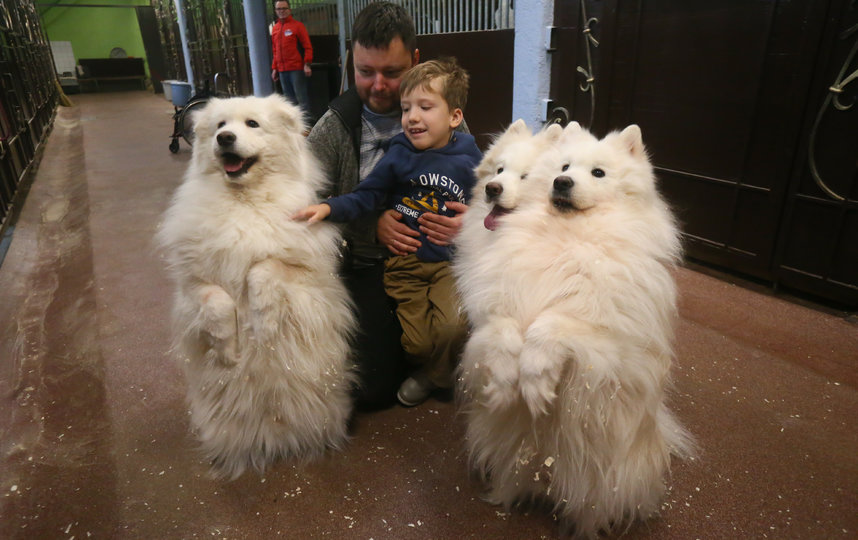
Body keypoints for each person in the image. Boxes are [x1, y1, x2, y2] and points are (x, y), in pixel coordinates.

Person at [307, 1, 470, 408]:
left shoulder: (446, 118)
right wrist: (372, 223)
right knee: (371, 390)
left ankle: (434, 361)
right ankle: (428, 362)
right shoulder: (332, 128)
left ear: (414, 62)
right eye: (365, 72)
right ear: (351, 62)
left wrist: (473, 220)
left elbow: (482, 185)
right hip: (366, 265)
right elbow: (310, 206)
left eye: (393, 73)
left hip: (441, 259)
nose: (378, 85)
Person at [270, 0, 313, 114]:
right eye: (279, 9)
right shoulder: (275, 28)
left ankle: (307, 128)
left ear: (289, 10)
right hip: (283, 70)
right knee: (289, 101)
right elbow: (275, 50)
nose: (282, 11)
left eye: (284, 8)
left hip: (296, 69)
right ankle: (294, 127)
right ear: (275, 11)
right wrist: (275, 68)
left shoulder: (298, 26)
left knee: (301, 99)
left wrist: (307, 64)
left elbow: (307, 46)